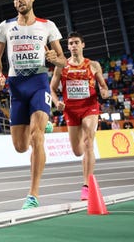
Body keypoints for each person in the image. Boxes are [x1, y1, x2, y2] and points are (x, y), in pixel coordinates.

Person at [0, 0, 66, 209]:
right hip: (16, 88)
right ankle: (44, 123)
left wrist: (54, 58)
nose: (18, 0)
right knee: (20, 146)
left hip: (38, 84)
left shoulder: (47, 25)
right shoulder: (5, 26)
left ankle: (32, 195)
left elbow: (63, 60)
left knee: (37, 137)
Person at [50, 32, 110, 201]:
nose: (73, 45)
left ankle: (86, 185)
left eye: (76, 42)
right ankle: (86, 157)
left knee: (89, 143)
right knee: (78, 151)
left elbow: (103, 87)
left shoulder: (93, 65)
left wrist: (105, 93)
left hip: (89, 107)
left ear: (83, 45)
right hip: (70, 111)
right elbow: (52, 89)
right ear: (67, 47)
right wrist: (56, 102)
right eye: (70, 43)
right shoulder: (61, 66)